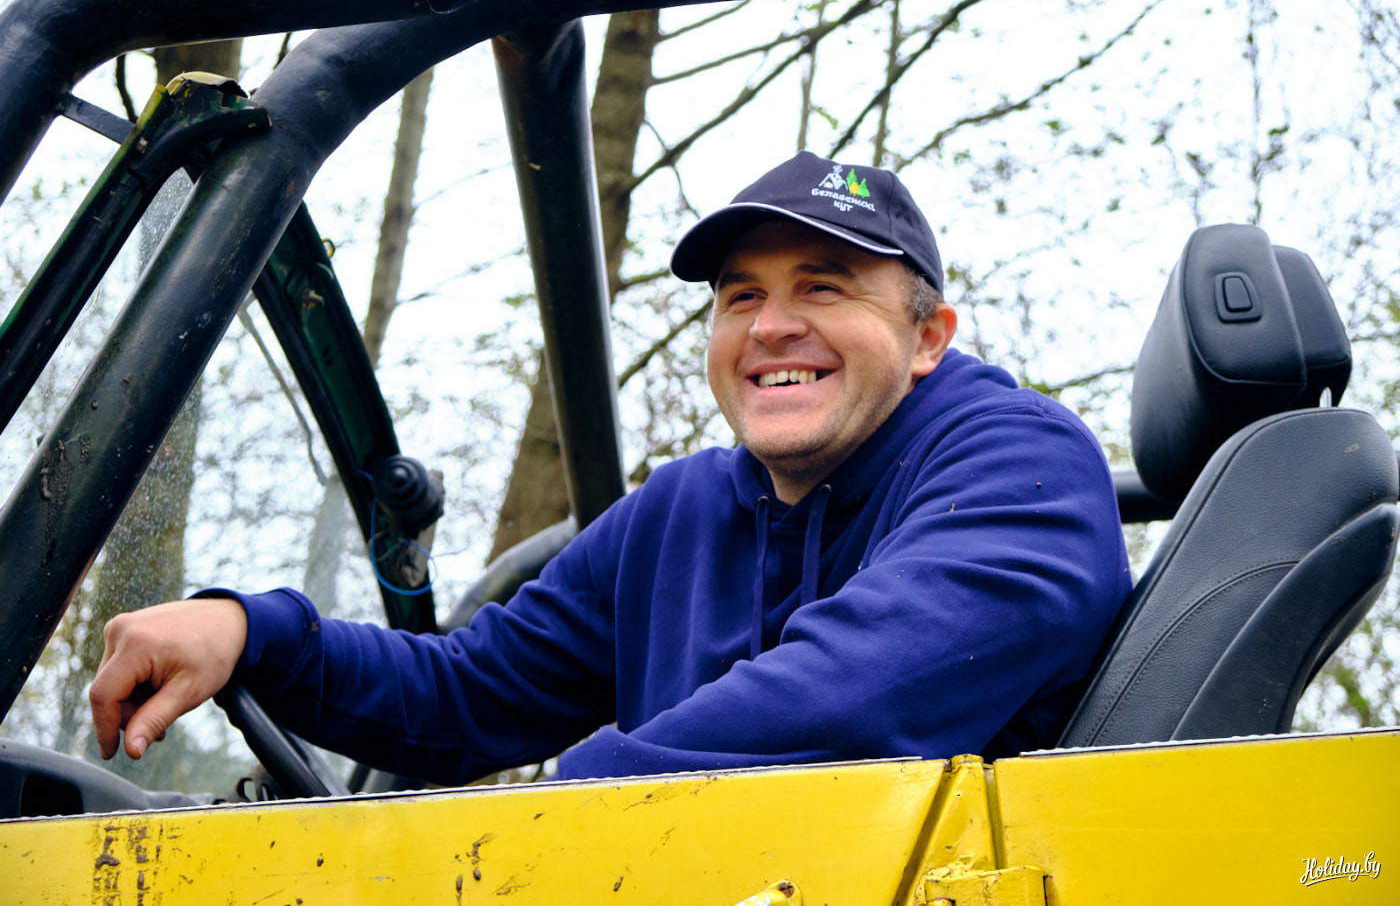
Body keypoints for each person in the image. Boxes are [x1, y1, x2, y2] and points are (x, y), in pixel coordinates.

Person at [91, 151, 1131, 783]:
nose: (772, 325)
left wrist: (552, 822)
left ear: (927, 337)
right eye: (740, 296)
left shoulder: (1017, 464)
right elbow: (469, 692)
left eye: (824, 286)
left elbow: (854, 694)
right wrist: (255, 633)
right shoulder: (678, 513)